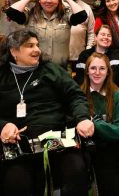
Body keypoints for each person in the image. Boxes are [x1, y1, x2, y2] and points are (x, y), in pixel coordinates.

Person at [0, 29, 94, 196]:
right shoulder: (2, 76)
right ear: (13, 51)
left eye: (37, 45)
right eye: (30, 46)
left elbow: (75, 96)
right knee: (16, 183)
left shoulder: (51, 70)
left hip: (57, 139)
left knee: (76, 171)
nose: (37, 50)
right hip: (19, 144)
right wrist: (3, 126)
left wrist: (82, 118)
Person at [80, 52, 119, 196]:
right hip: (94, 149)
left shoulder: (117, 95)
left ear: (108, 72)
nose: (97, 72)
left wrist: (95, 124)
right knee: (112, 189)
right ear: (87, 71)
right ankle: (92, 176)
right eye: (93, 68)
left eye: (102, 68)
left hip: (114, 144)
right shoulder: (79, 94)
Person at [5, 0, 87, 68]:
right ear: (39, 0)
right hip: (36, 69)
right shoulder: (30, 14)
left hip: (61, 69)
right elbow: (11, 12)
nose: (49, 1)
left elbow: (82, 15)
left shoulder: (66, 15)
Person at [65, 0, 95, 72]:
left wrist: (87, 51)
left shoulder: (86, 8)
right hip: (60, 59)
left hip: (80, 58)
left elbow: (91, 32)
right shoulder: (57, 5)